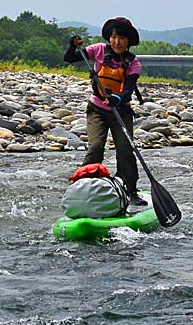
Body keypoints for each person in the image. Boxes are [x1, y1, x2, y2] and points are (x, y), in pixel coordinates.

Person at [63, 17, 148, 206]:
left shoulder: (133, 63)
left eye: (122, 38)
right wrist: (72, 45)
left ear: (128, 41)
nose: (117, 42)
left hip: (121, 111)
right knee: (95, 148)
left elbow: (128, 90)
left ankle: (131, 190)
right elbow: (69, 58)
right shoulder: (99, 50)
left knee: (126, 151)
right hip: (97, 111)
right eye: (114, 37)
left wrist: (118, 98)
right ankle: (82, 189)